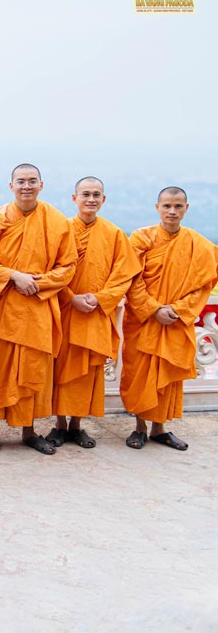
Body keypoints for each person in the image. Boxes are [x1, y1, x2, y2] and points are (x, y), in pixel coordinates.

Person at [0, 164, 77, 455]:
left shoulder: (57, 221)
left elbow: (69, 266)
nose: (26, 186)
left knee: (35, 370)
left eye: (32, 181)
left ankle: (29, 431)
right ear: (11, 186)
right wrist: (13, 276)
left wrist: (39, 282)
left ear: (41, 185)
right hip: (4, 306)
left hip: (38, 306)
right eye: (21, 181)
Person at [120, 187, 218, 451]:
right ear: (157, 208)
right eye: (166, 206)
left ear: (186, 208)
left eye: (177, 206)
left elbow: (205, 284)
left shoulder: (199, 245)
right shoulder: (141, 238)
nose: (172, 211)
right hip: (144, 320)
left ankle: (159, 428)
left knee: (168, 374)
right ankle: (140, 427)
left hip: (175, 320)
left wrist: (178, 309)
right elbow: (131, 278)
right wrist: (153, 309)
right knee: (140, 374)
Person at [48, 178, 140, 448]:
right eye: (85, 194)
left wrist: (100, 298)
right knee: (61, 369)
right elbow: (48, 269)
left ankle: (77, 425)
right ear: (74, 198)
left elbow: (124, 276)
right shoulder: (60, 230)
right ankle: (59, 424)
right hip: (65, 310)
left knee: (88, 371)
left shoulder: (114, 234)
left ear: (104, 199)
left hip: (96, 313)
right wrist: (70, 297)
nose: (90, 199)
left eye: (96, 194)